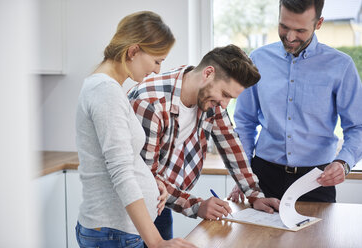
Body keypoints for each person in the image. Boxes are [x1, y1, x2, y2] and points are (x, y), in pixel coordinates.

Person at [128, 44, 280, 240]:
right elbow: (146, 177)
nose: (224, 105)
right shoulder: (151, 104)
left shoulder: (208, 96)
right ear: (208, 73)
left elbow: (230, 144)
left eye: (230, 99)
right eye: (225, 94)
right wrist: (196, 205)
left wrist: (254, 195)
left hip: (160, 202)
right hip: (128, 212)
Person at [75, 11, 197, 248]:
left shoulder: (108, 88)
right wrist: (157, 242)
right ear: (133, 51)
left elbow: (125, 158)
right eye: (157, 60)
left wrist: (152, 182)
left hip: (115, 232)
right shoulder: (105, 91)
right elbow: (120, 170)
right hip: (113, 233)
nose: (157, 71)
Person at [229, 0, 362, 203]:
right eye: (284, 27)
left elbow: (357, 126)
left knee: (316, 236)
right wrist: (243, 176)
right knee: (258, 236)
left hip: (316, 180)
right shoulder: (258, 59)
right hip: (263, 176)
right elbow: (245, 122)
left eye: (300, 30)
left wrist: (343, 162)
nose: (290, 37)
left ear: (318, 24)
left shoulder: (341, 66)